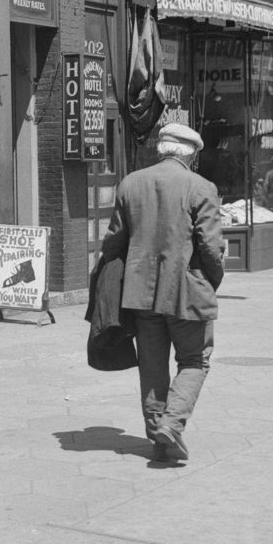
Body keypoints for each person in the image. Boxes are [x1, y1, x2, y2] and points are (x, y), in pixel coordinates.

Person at [101, 123, 225, 462]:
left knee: (152, 366)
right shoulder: (201, 187)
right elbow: (211, 249)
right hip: (186, 291)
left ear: (162, 150)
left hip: (141, 293)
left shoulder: (131, 183)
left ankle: (159, 436)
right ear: (192, 154)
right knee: (194, 360)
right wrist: (212, 282)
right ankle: (171, 424)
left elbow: (114, 240)